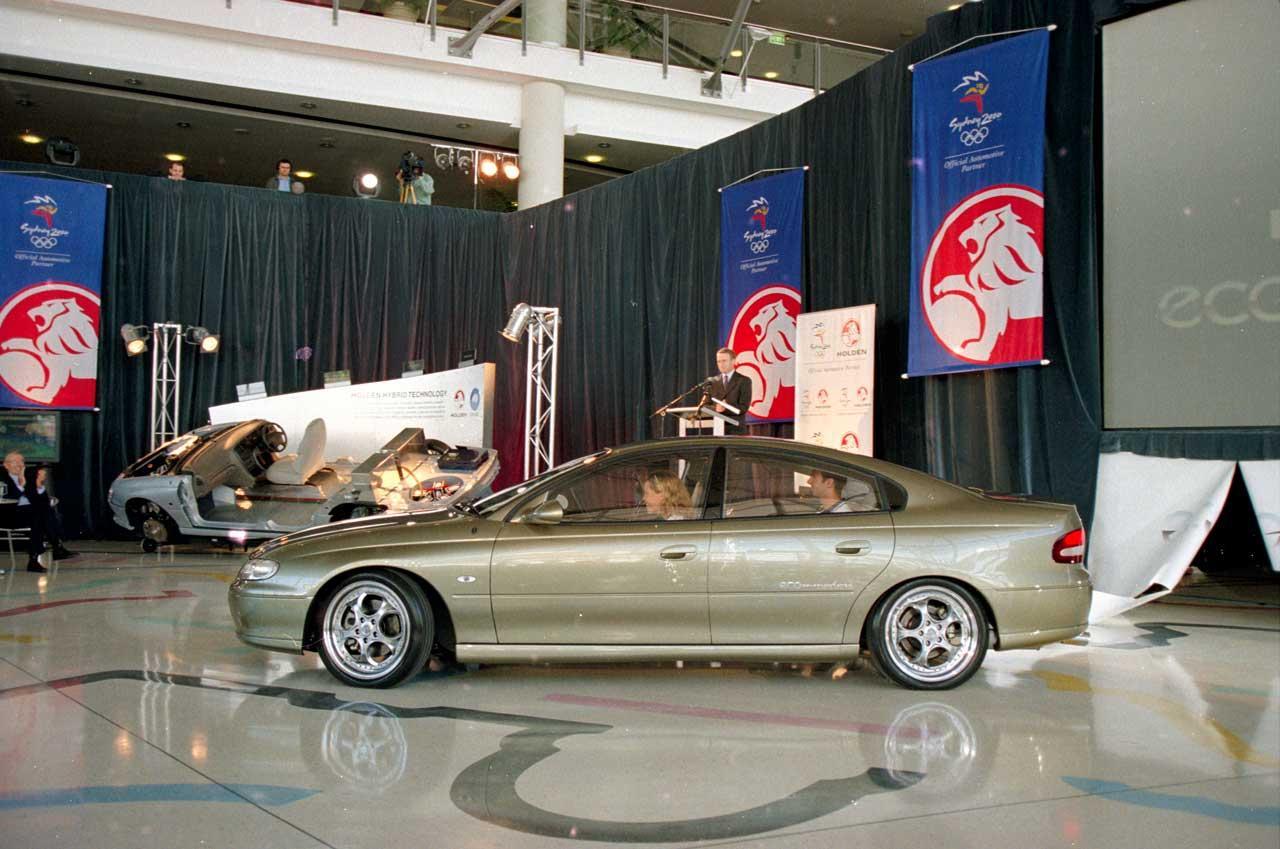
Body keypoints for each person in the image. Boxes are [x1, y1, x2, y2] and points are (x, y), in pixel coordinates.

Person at [0, 452, 76, 573]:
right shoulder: (2, 477)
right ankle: (56, 547)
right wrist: (21, 484)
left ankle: (35, 560)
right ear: (6, 465)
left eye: (22, 462)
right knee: (41, 514)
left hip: (28, 514)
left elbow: (43, 500)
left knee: (40, 514)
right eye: (15, 462)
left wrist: (39, 485)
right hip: (7, 515)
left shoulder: (29, 476)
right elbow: (8, 498)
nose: (19, 465)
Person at [708, 347, 752, 435]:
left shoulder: (744, 381)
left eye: (724, 361)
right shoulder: (712, 381)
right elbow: (705, 405)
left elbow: (743, 407)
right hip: (716, 429)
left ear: (733, 361)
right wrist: (716, 408)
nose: (721, 364)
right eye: (718, 361)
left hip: (736, 430)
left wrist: (725, 407)